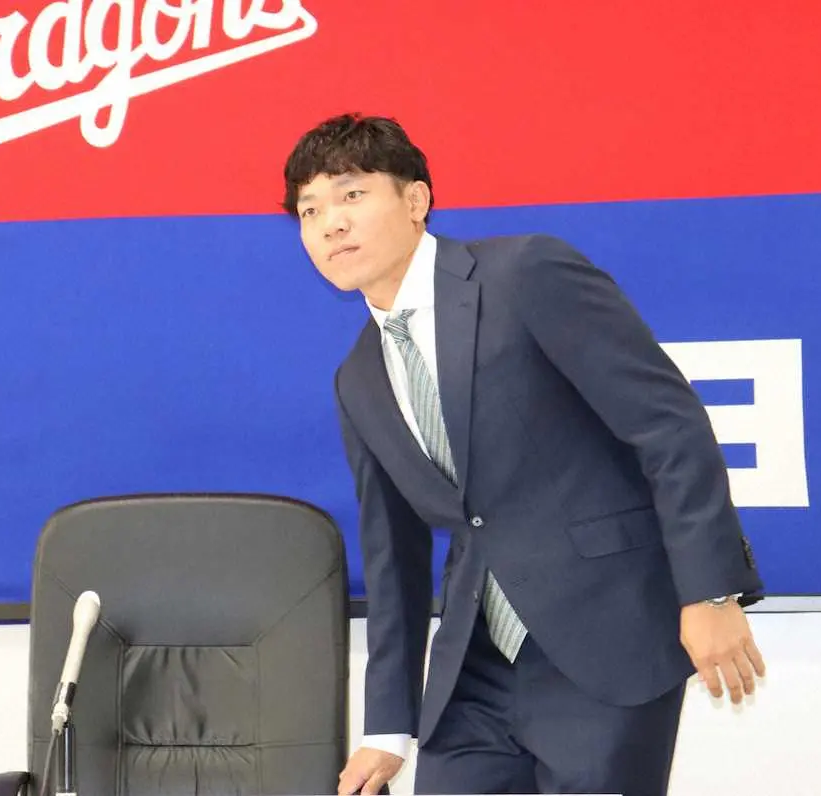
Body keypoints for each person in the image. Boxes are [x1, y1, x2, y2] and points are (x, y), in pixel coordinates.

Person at [281, 113, 765, 796]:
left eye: (352, 195)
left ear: (415, 200)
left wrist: (709, 592)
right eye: (310, 210)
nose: (331, 224)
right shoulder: (357, 377)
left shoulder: (525, 273)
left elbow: (668, 426)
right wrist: (387, 726)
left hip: (606, 643)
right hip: (472, 671)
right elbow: (392, 554)